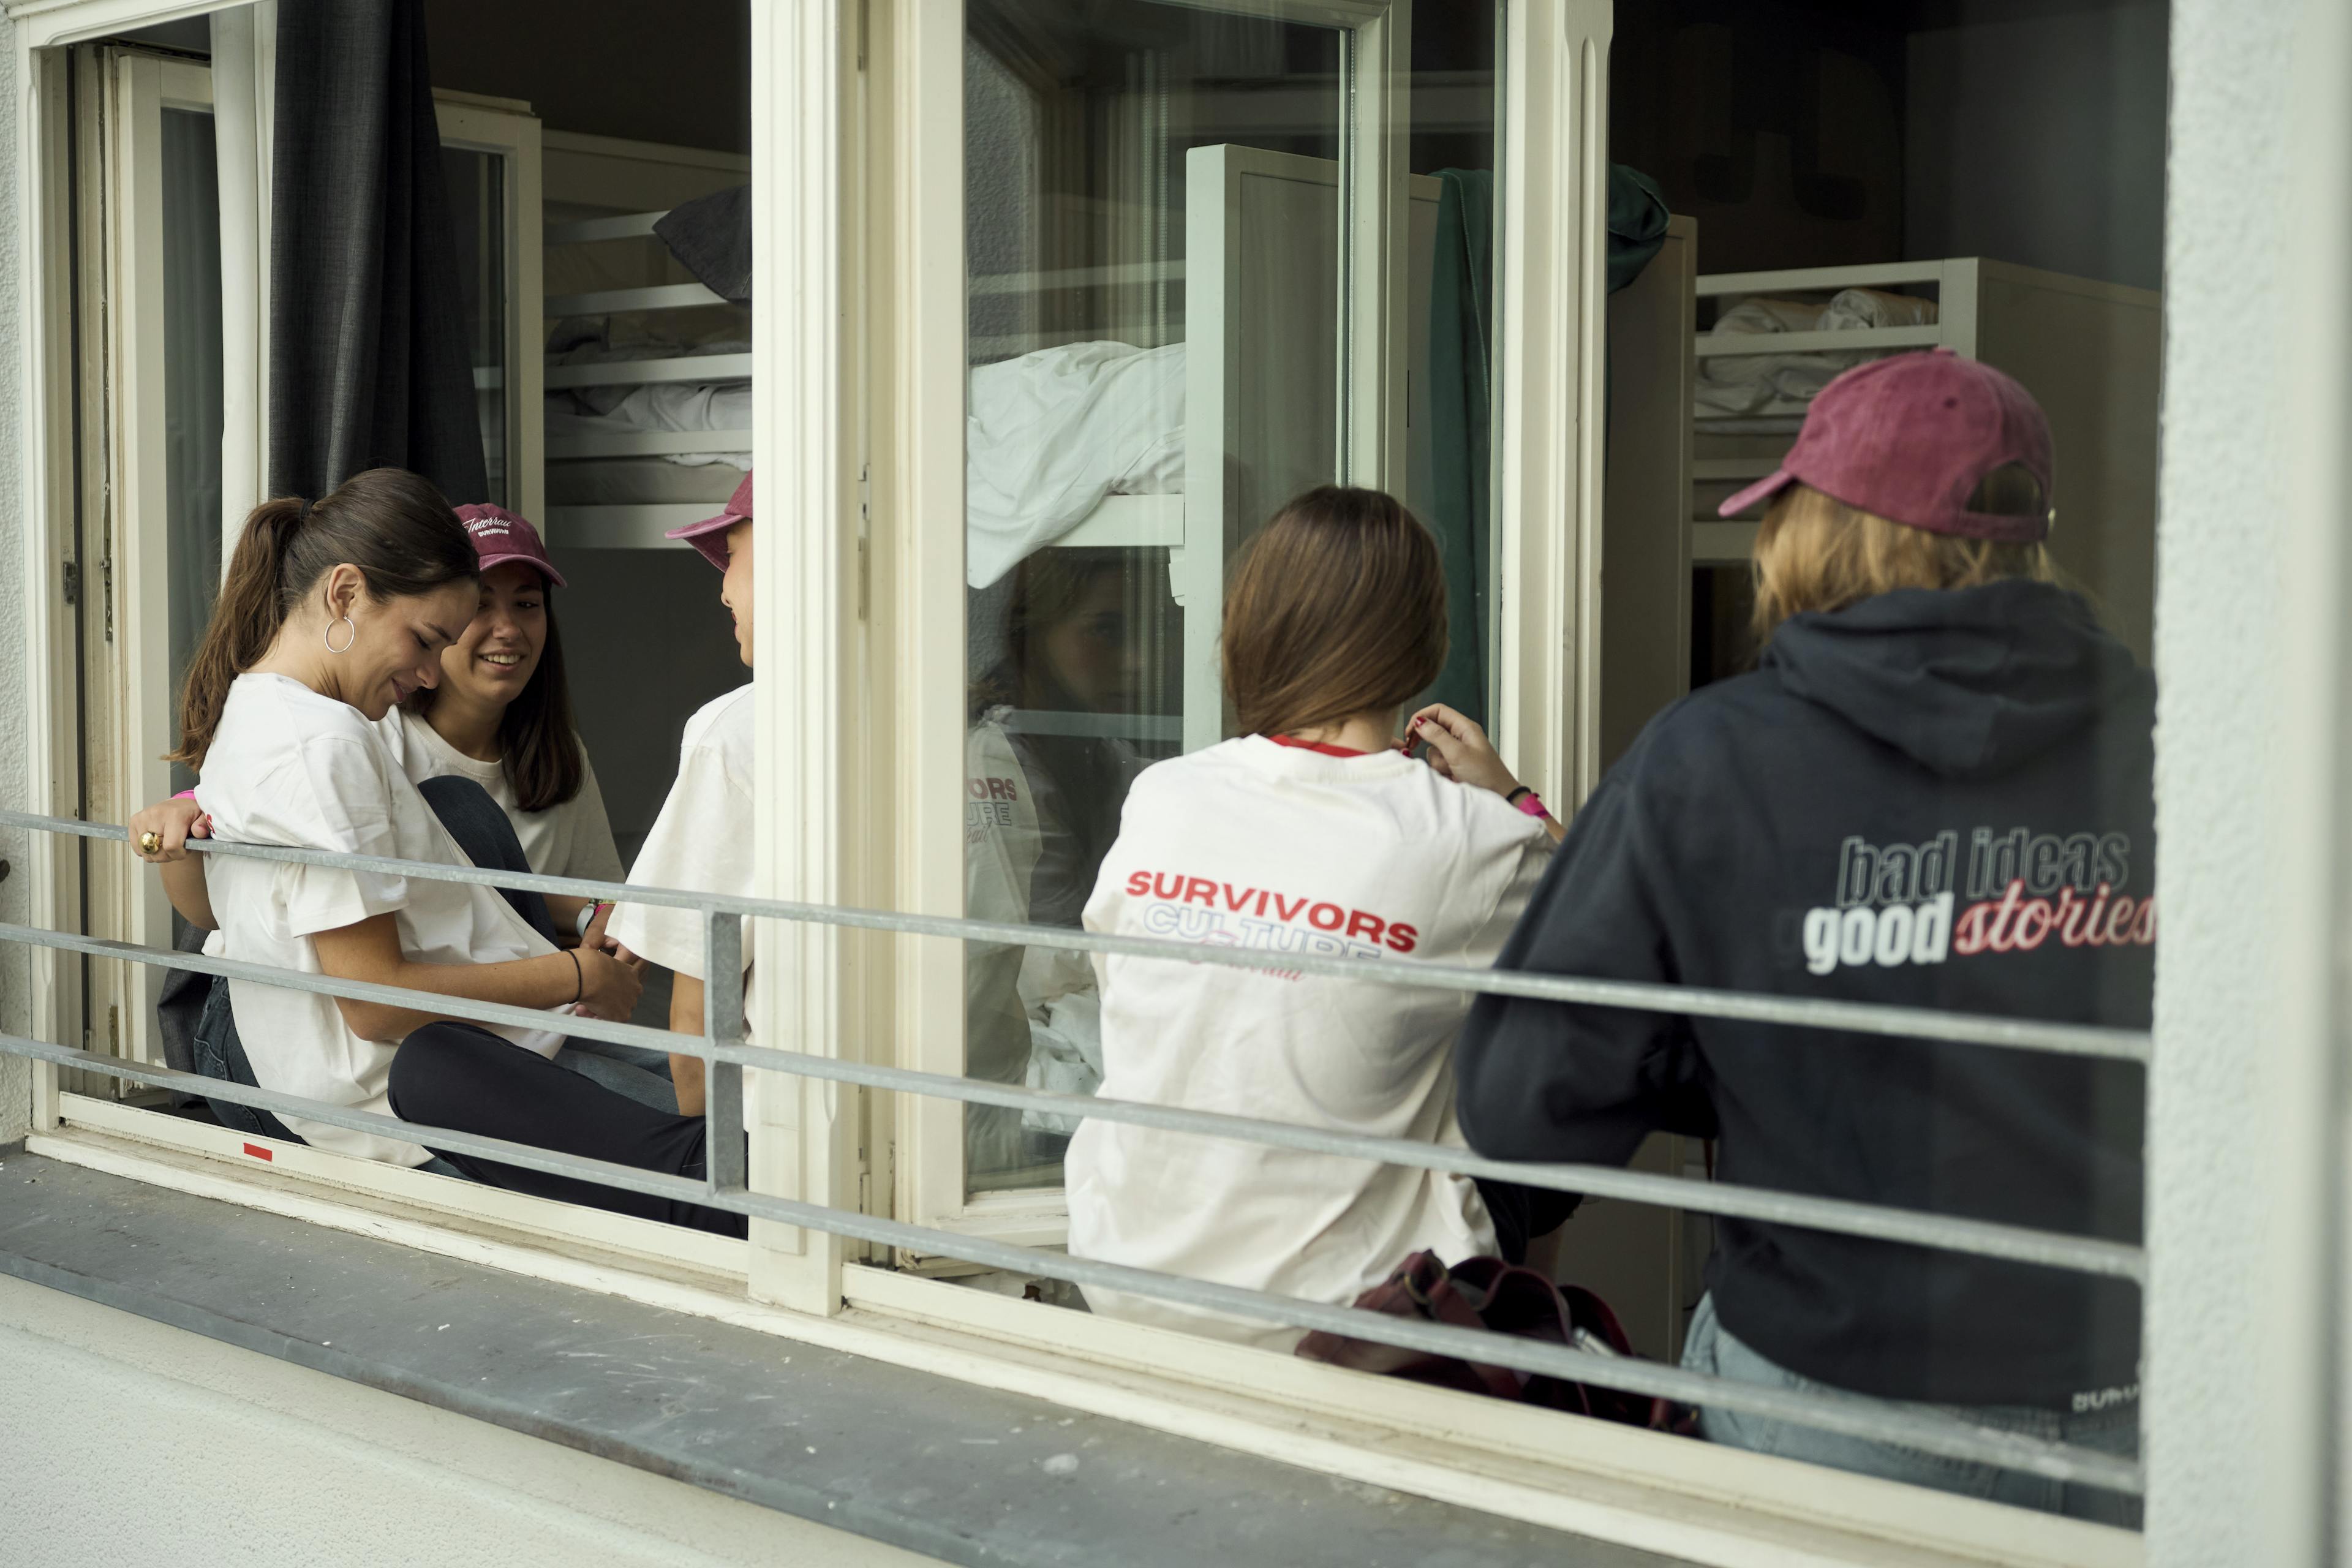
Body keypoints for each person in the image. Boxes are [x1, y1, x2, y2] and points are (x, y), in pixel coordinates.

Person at [1453, 350, 2149, 1525]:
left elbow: (1528, 1111)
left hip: (1839, 1400)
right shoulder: (2171, 743)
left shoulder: (1712, 758)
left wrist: (1744, 1058)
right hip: (2150, 1391)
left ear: (1812, 527)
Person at [1063, 485, 1567, 1348]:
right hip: (1335, 1321)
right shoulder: (1475, 837)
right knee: (1539, 1089)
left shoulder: (1167, 794)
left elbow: (1119, 970)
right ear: (1423, 640)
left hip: (1126, 1276)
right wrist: (1511, 798)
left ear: (1252, 621)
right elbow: (1610, 953)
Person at [126, 470, 693, 1206]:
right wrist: (579, 977)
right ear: (345, 594)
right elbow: (375, 1003)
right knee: (703, 1140)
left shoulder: (259, 702)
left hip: (435, 1051)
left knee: (688, 1107)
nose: (429, 673)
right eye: (425, 640)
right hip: (396, 1093)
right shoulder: (325, 745)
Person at [384, 473, 760, 1232]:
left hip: (556, 1021)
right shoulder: (377, 749)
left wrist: (597, 950)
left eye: (527, 605)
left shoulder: (561, 758)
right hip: (477, 1028)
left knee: (681, 1105)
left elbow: (612, 924)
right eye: (482, 604)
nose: (507, 629)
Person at [964, 549, 1148, 1179]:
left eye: (1149, 632)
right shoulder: (995, 760)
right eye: (1104, 632)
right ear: (1031, 637)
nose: (1139, 661)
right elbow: (1040, 958)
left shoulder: (1098, 743)